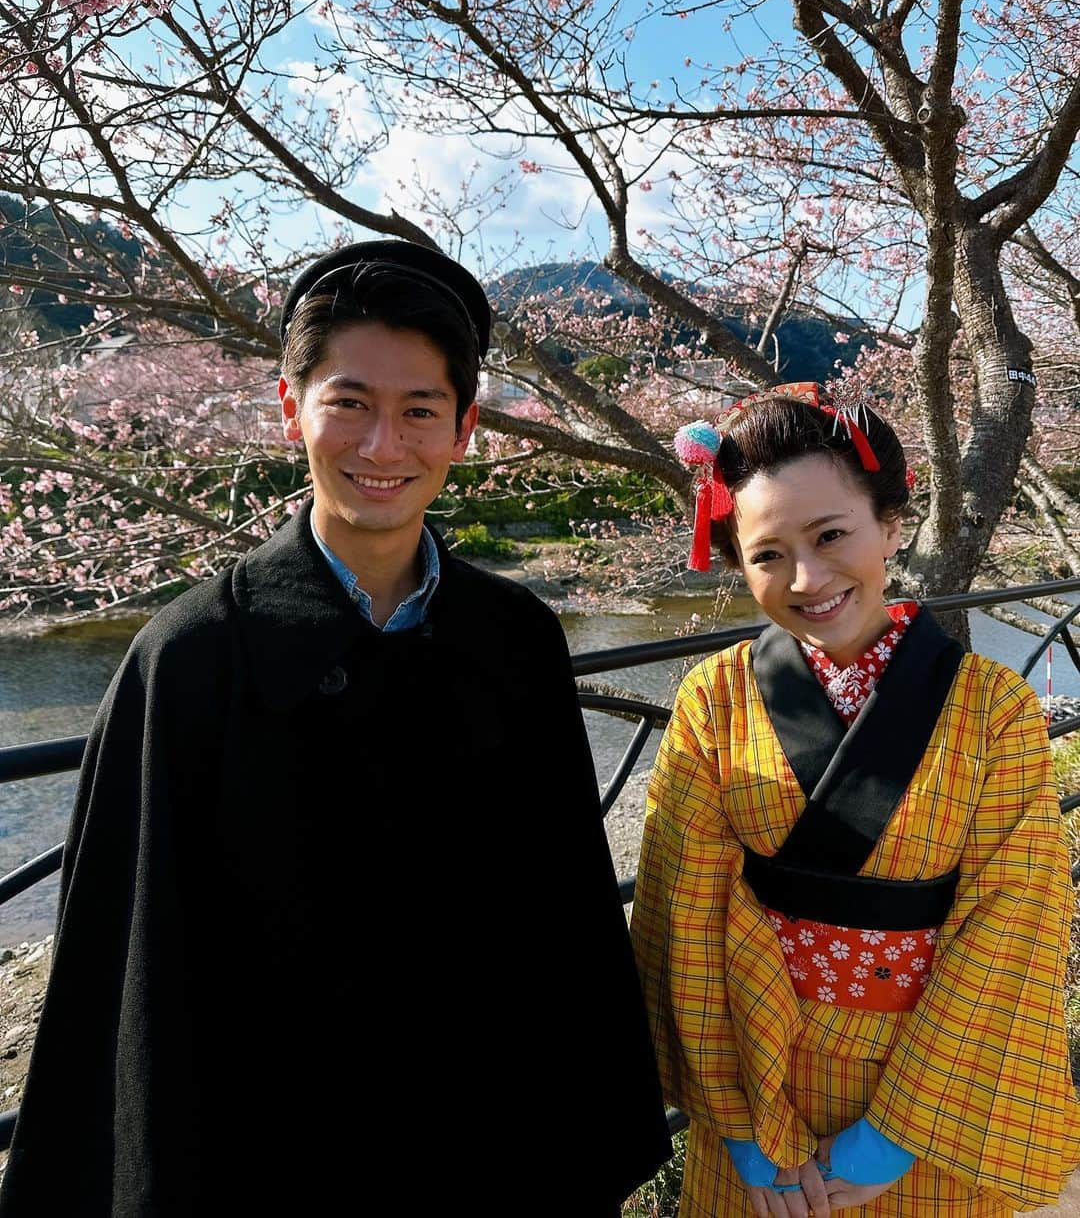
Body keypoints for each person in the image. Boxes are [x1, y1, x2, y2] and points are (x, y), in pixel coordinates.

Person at [0, 240, 671, 1217]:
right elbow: (134, 981)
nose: (382, 446)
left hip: (486, 1159)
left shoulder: (515, 640)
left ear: (465, 427)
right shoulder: (188, 658)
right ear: (290, 409)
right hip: (263, 1169)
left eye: (420, 412)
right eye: (349, 403)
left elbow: (563, 928)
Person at [631, 382, 1080, 1218]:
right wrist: (741, 1135)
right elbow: (682, 916)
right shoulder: (713, 700)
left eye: (832, 534)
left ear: (891, 527)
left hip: (929, 1099)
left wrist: (890, 1141)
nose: (807, 577)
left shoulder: (994, 707)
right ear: (737, 563)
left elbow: (1012, 923)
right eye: (767, 555)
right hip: (759, 1080)